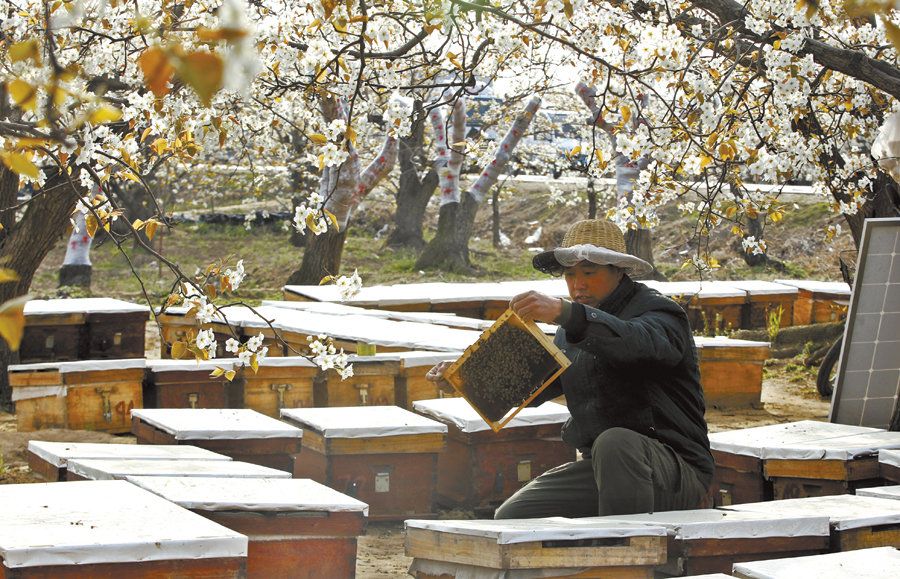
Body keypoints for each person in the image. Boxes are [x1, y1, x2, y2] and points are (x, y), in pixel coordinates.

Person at [426, 218, 713, 518]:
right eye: (570, 275)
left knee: (615, 442)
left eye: (589, 273)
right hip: (602, 469)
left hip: (676, 472)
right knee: (514, 517)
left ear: (618, 271)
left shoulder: (661, 312)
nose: (578, 284)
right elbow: (532, 384)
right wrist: (463, 376)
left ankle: (621, 556)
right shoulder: (570, 328)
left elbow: (636, 343)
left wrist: (567, 313)